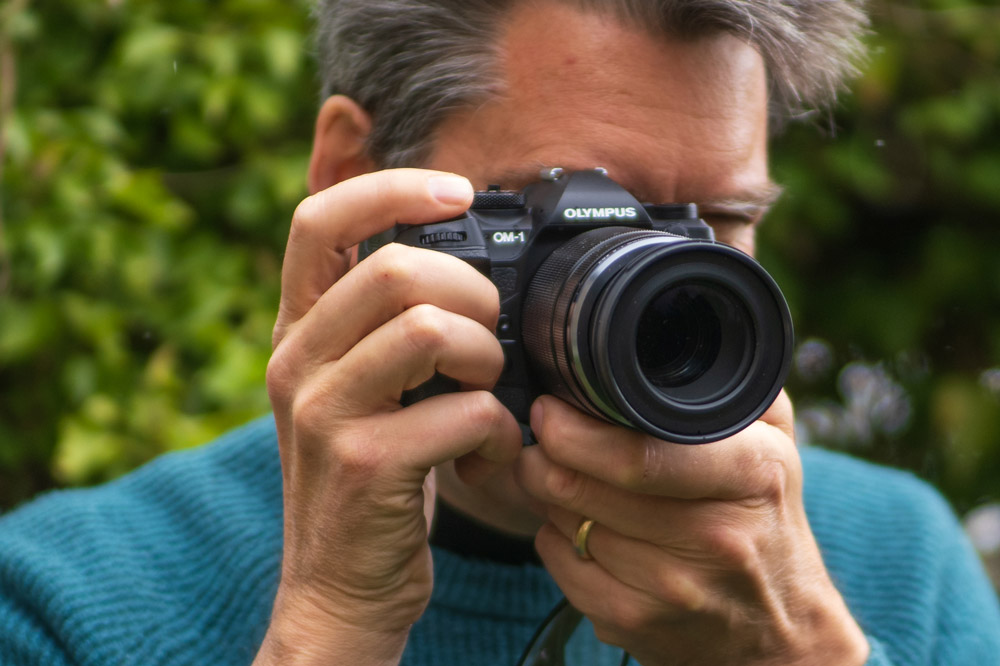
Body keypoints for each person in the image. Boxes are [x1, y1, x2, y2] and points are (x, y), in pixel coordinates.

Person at [1, 1, 998, 664]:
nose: (655, 291)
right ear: (353, 180)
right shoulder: (68, 601)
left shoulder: (894, 565)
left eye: (713, 224)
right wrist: (328, 630)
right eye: (557, 217)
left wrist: (804, 654)